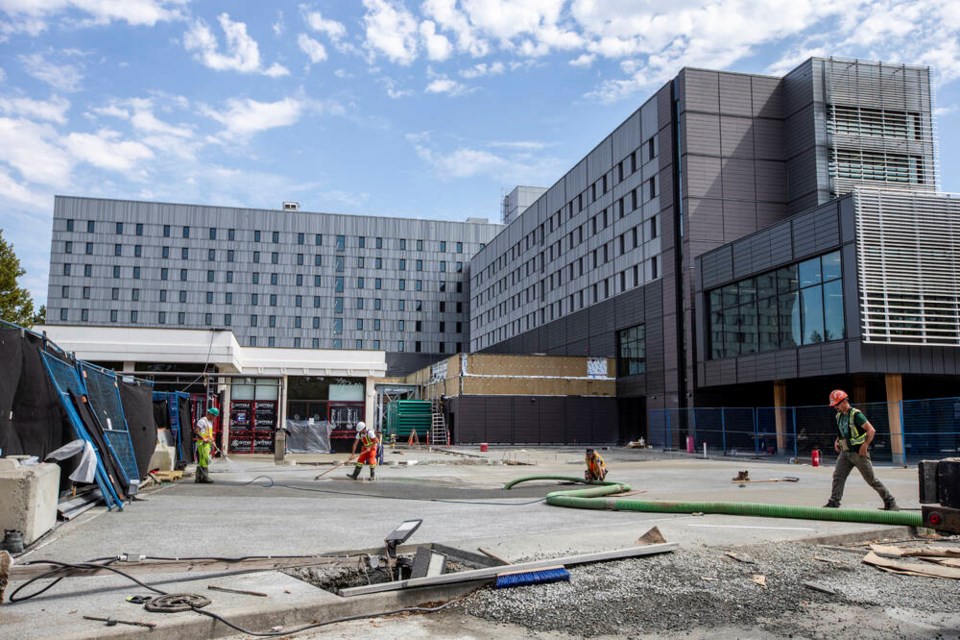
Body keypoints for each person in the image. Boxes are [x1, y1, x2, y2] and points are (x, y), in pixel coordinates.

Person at [823, 390, 898, 510]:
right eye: (834, 405)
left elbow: (871, 430)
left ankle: (890, 501)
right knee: (838, 476)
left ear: (844, 401)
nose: (835, 407)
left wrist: (865, 446)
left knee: (871, 480)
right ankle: (834, 502)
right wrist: (837, 440)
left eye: (837, 404)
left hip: (859, 453)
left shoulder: (856, 415)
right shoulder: (839, 416)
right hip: (845, 452)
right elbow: (844, 431)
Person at [194, 407, 218, 484]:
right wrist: (203, 438)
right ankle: (204, 477)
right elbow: (196, 431)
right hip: (202, 444)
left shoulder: (210, 422)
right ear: (211, 414)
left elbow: (209, 434)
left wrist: (213, 442)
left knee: (204, 460)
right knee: (203, 460)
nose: (214, 418)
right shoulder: (202, 421)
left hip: (207, 444)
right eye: (214, 416)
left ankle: (200, 478)